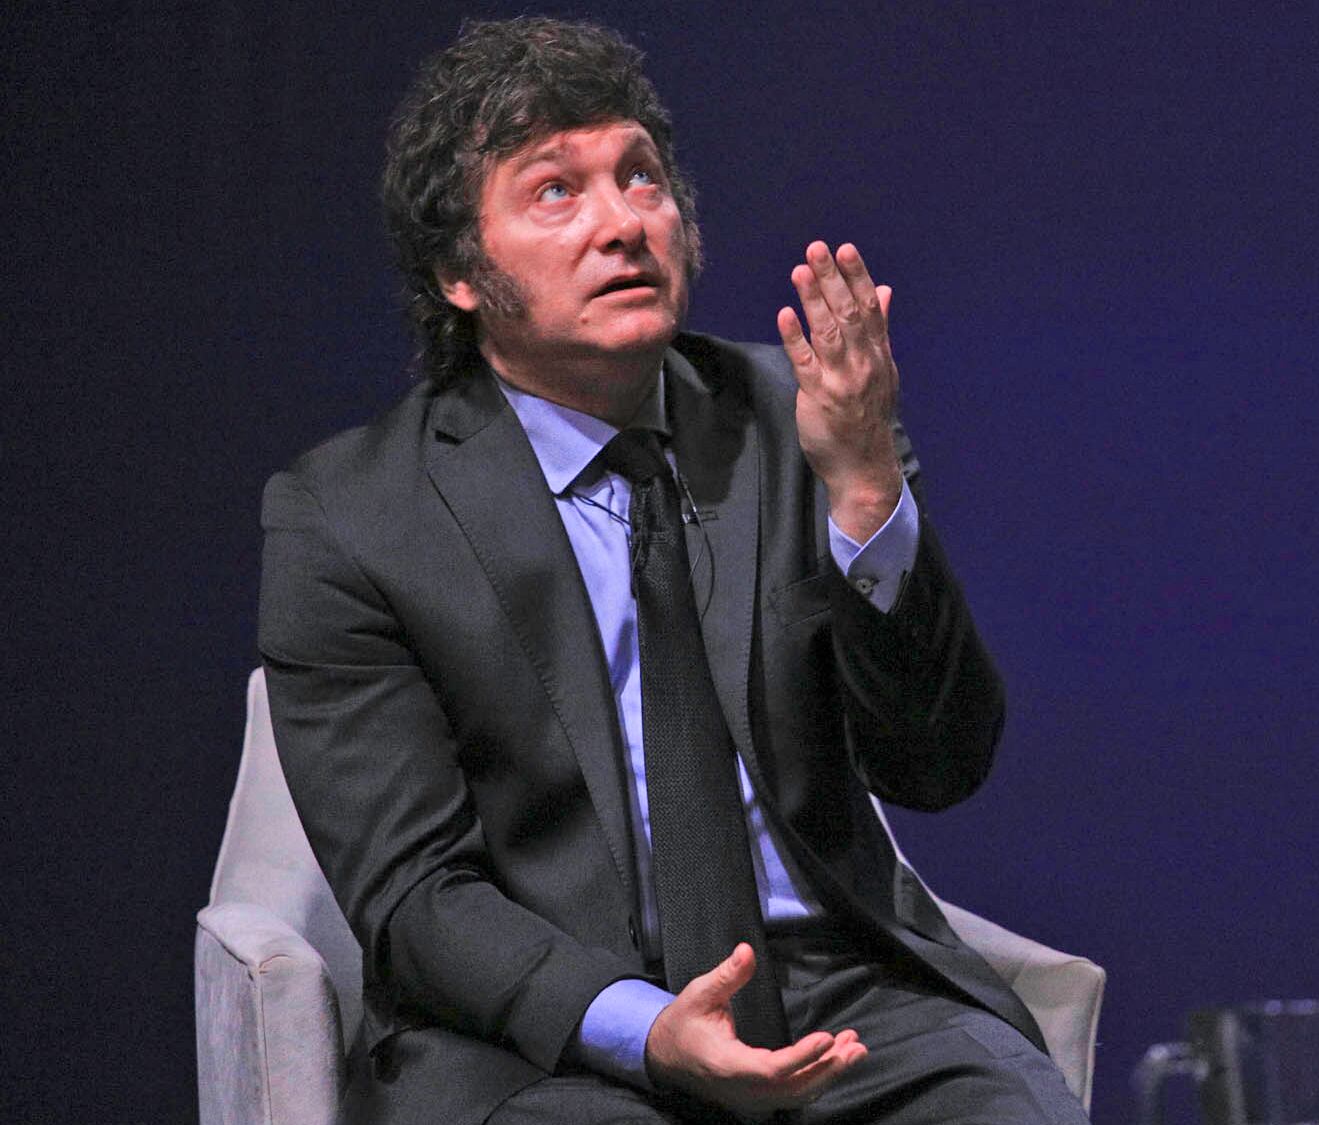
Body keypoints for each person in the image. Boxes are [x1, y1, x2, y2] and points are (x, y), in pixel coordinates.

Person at [259, 16, 1088, 1124]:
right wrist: (643, 1027)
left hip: (835, 998)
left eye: (639, 176)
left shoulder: (804, 420)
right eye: (555, 190)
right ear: (459, 272)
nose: (622, 223)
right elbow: (416, 898)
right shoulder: (352, 516)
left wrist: (866, 495)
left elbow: (939, 764)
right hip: (553, 1042)